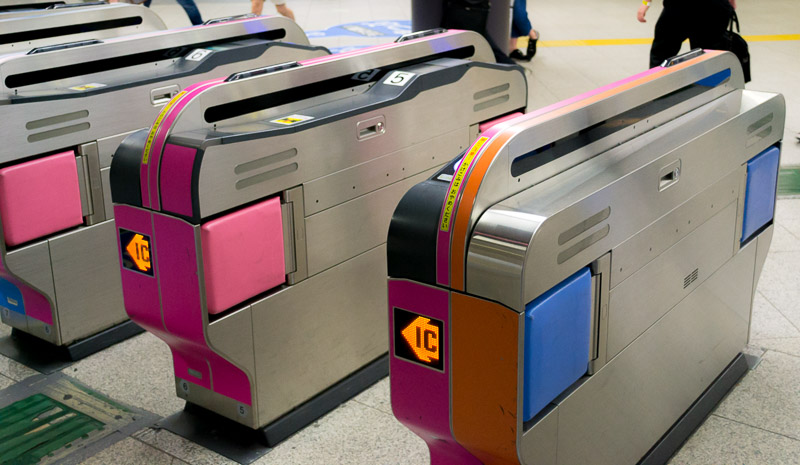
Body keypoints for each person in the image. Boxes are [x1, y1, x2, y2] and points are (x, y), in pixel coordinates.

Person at [638, 0, 736, 68]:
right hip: (713, 9)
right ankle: (710, 92)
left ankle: (657, 90)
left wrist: (646, 2)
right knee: (708, 58)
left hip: (680, 8)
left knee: (661, 56)